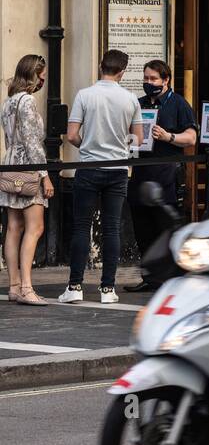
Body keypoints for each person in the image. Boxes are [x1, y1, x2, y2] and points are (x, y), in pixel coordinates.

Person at [59, 50, 143, 304]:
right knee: (112, 228)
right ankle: (108, 289)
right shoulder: (130, 99)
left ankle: (74, 286)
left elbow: (71, 134)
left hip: (89, 167)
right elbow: (137, 139)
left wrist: (88, 145)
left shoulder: (85, 95)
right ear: (122, 72)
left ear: (100, 67)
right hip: (117, 170)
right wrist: (121, 145)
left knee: (82, 226)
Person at [125, 59, 198, 294]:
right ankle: (151, 278)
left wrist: (169, 137)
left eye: (153, 79)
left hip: (167, 174)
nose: (149, 83)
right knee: (142, 227)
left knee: (165, 227)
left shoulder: (177, 103)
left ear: (166, 80)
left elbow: (191, 137)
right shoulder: (139, 104)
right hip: (140, 173)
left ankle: (173, 279)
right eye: (146, 78)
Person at [0, 54, 54, 304]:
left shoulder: (8, 101)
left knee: (13, 227)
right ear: (33, 75)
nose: (43, 80)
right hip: (28, 166)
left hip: (9, 164)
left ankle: (13, 286)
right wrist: (45, 177)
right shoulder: (28, 101)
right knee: (35, 227)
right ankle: (27, 288)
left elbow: (10, 139)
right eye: (41, 75)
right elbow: (33, 142)